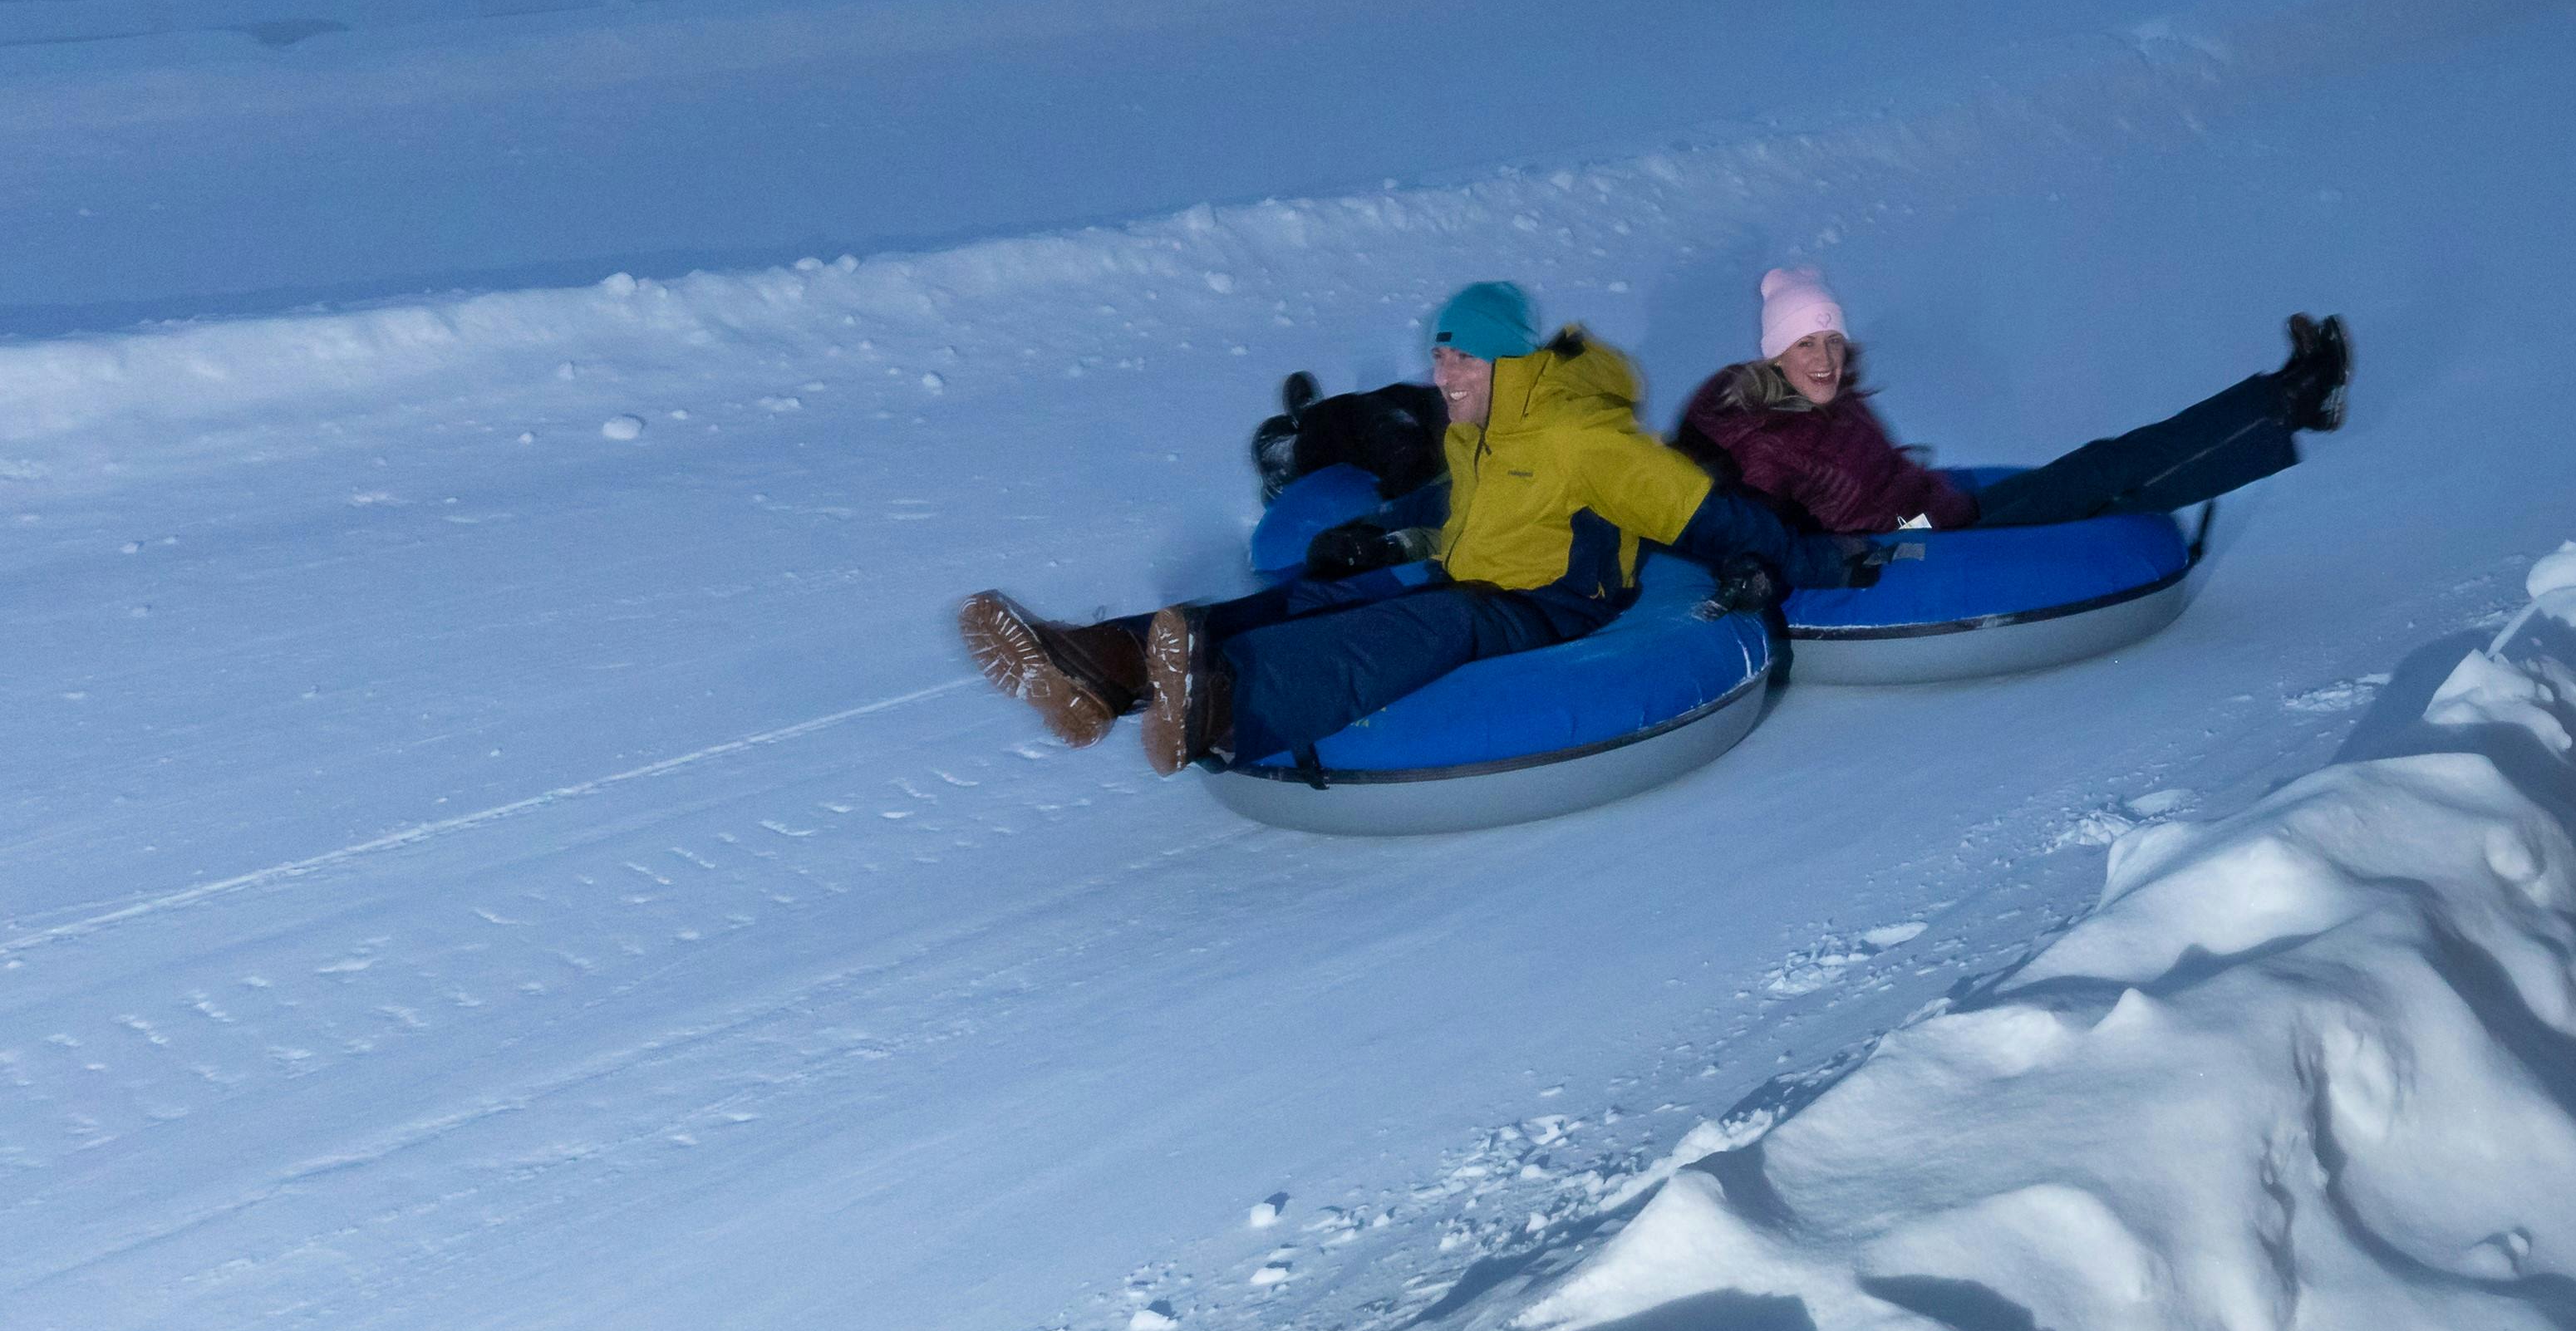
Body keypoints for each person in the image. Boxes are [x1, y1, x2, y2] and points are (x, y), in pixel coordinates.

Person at [957, 281, 1856, 774]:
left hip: (1556, 606)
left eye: (1459, 355)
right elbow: (1452, 508)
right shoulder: (1479, 430)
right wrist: (1381, 533)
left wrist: (1793, 558)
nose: (1444, 370)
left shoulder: (1586, 438)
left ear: (1508, 359)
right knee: (1318, 595)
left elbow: (1698, 510)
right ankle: (1092, 667)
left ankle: (1228, 702)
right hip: (1477, 574)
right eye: (1438, 353)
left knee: (1442, 622)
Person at [1682, 265, 2350, 539]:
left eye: (1832, 339)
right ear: (1776, 354)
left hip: (1941, 511)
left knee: (2101, 463)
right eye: (1807, 346)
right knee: (2110, 485)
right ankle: (2290, 404)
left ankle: (2286, 394)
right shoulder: (1765, 440)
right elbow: (1759, 533)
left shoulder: (1826, 396)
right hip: (1929, 553)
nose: (1826, 360)